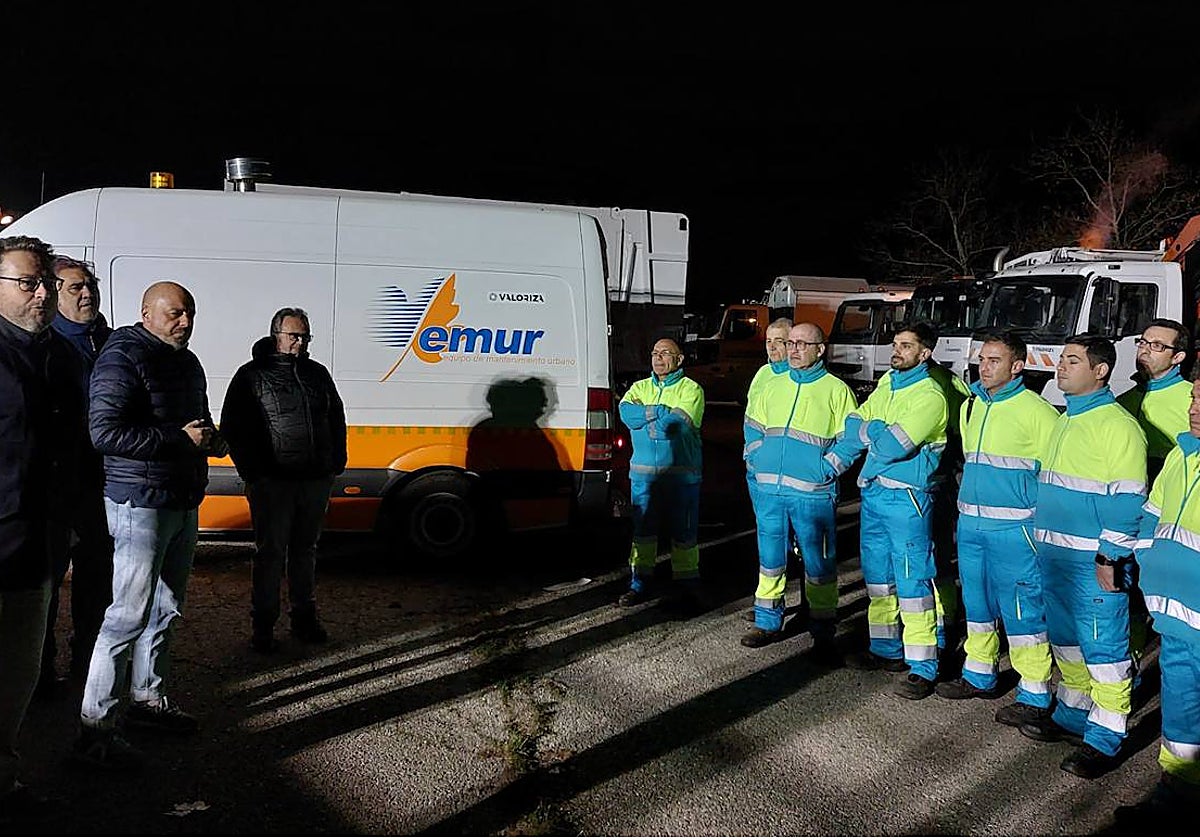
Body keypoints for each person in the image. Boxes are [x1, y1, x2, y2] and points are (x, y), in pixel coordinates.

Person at [75, 281, 227, 770]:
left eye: (190, 313)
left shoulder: (186, 361)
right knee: (126, 616)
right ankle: (94, 729)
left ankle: (148, 701)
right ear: (147, 312)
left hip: (180, 498)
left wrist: (209, 439)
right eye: (175, 313)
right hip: (140, 502)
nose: (185, 322)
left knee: (166, 608)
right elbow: (104, 432)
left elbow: (193, 423)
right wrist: (178, 438)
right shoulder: (123, 356)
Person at [1019, 334, 1146, 780]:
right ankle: (1073, 714)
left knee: (1104, 651)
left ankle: (1106, 736)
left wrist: (1110, 556)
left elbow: (1129, 501)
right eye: (1061, 360)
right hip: (1054, 557)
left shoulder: (1117, 426)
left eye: (1073, 361)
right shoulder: (1064, 421)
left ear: (1101, 370)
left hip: (1091, 563)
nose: (1061, 367)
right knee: (1066, 642)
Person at [933, 331, 1059, 730]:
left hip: (1016, 530)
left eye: (993, 361)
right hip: (972, 525)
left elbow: (1054, 478)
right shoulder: (971, 406)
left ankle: (1035, 692)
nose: (983, 367)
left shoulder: (1039, 413)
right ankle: (979, 673)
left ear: (1017, 366)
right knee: (978, 604)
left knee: (1022, 611)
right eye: (982, 360)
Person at [0, 236, 86, 821]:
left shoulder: (63, 357)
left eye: (46, 283)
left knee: (18, 677)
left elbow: (73, 448)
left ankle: (4, 783)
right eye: (28, 282)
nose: (42, 294)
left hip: (39, 546)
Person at [825, 321, 949, 699]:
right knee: (879, 580)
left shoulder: (930, 395)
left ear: (924, 353)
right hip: (877, 494)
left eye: (906, 346)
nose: (896, 351)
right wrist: (872, 431)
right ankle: (885, 650)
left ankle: (923, 666)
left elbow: (896, 444)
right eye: (895, 343)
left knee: (913, 583)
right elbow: (852, 425)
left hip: (908, 499)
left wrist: (870, 431)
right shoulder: (887, 384)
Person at [220, 307, 347, 653]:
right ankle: (263, 625)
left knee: (305, 551)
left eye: (305, 336)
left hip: (315, 479)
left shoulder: (317, 374)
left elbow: (336, 416)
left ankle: (304, 618)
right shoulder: (251, 376)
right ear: (276, 335)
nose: (300, 342)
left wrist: (336, 461)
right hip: (272, 483)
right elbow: (233, 427)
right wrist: (254, 472)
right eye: (294, 336)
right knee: (270, 554)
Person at [1112, 375, 1200, 820]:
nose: (1195, 408)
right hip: (1176, 619)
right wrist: (1145, 565)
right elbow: (1151, 518)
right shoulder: (1182, 456)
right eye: (1196, 398)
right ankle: (1175, 793)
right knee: (1182, 710)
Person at [741, 323, 856, 658]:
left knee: (819, 563)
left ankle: (822, 629)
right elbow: (753, 426)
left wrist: (829, 467)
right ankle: (767, 621)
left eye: (802, 344)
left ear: (821, 349)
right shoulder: (772, 386)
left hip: (813, 493)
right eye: (790, 343)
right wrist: (755, 458)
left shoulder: (837, 390)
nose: (792, 349)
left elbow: (850, 439)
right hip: (770, 491)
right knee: (770, 560)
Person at [39, 256, 114, 692]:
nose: (87, 294)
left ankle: (88, 664)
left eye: (91, 285)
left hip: (100, 488)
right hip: (56, 488)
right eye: (75, 287)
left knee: (97, 585)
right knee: (45, 586)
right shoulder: (44, 344)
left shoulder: (112, 342)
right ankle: (41, 670)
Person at [617, 337, 705, 612]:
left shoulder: (691, 389)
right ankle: (638, 584)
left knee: (684, 535)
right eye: (654, 352)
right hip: (644, 478)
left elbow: (672, 427)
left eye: (665, 353)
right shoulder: (639, 387)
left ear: (680, 360)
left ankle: (686, 587)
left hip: (682, 479)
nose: (657, 358)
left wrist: (647, 421)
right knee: (643, 533)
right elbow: (625, 413)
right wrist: (657, 411)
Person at [1117, 318, 1192, 480]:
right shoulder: (1124, 399)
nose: (1145, 350)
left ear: (1177, 357)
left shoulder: (1193, 398)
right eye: (1143, 343)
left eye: (1157, 346)